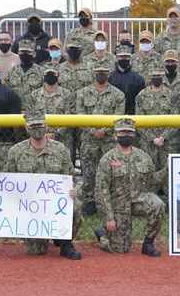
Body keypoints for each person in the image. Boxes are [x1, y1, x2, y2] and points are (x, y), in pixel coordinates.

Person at [0, 111, 84, 260]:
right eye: (33, 125)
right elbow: (7, 179)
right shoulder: (16, 151)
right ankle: (49, 236)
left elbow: (71, 177)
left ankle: (65, 241)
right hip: (28, 204)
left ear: (46, 126)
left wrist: (72, 189)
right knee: (36, 251)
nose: (37, 128)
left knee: (76, 206)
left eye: (40, 125)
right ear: (26, 128)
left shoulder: (61, 150)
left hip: (54, 202)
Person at [92, 117, 167, 257]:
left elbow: (152, 180)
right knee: (120, 249)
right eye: (122, 132)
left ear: (134, 135)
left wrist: (168, 169)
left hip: (138, 199)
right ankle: (102, 237)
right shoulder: (107, 159)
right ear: (115, 135)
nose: (126, 135)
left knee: (158, 205)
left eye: (129, 133)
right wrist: (109, 217)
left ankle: (148, 244)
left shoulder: (143, 157)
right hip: (117, 206)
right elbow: (101, 191)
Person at [76, 63, 126, 216]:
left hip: (109, 141)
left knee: (110, 173)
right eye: (98, 72)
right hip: (89, 141)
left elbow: (118, 116)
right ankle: (90, 203)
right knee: (89, 174)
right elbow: (80, 114)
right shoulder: (83, 93)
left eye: (104, 72)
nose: (101, 74)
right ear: (93, 74)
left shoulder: (118, 95)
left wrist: (104, 131)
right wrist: (93, 130)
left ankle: (109, 204)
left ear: (109, 74)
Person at [134, 64, 180, 174]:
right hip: (148, 143)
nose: (156, 78)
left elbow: (176, 121)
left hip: (169, 142)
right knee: (148, 173)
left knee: (168, 174)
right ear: (150, 77)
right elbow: (139, 122)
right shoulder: (141, 96)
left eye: (159, 76)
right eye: (154, 76)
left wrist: (163, 137)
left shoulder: (172, 96)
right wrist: (153, 138)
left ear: (163, 77)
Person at [26, 62, 77, 159]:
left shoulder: (67, 95)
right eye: (47, 74)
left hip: (63, 142)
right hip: (38, 141)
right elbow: (30, 118)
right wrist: (42, 134)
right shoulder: (34, 96)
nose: (50, 76)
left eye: (53, 74)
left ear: (58, 75)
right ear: (42, 76)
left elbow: (69, 118)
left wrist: (56, 134)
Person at [3, 39, 45, 105]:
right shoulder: (10, 72)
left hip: (35, 111)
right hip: (15, 111)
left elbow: (44, 93)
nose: (25, 54)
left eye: (28, 52)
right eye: (22, 51)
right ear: (18, 53)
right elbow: (5, 93)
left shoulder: (41, 72)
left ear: (34, 54)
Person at [109, 45, 145, 114]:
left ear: (130, 58)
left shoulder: (138, 79)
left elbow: (140, 99)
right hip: (113, 116)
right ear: (116, 58)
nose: (124, 59)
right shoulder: (109, 78)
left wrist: (130, 113)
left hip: (132, 117)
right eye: (121, 57)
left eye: (126, 57)